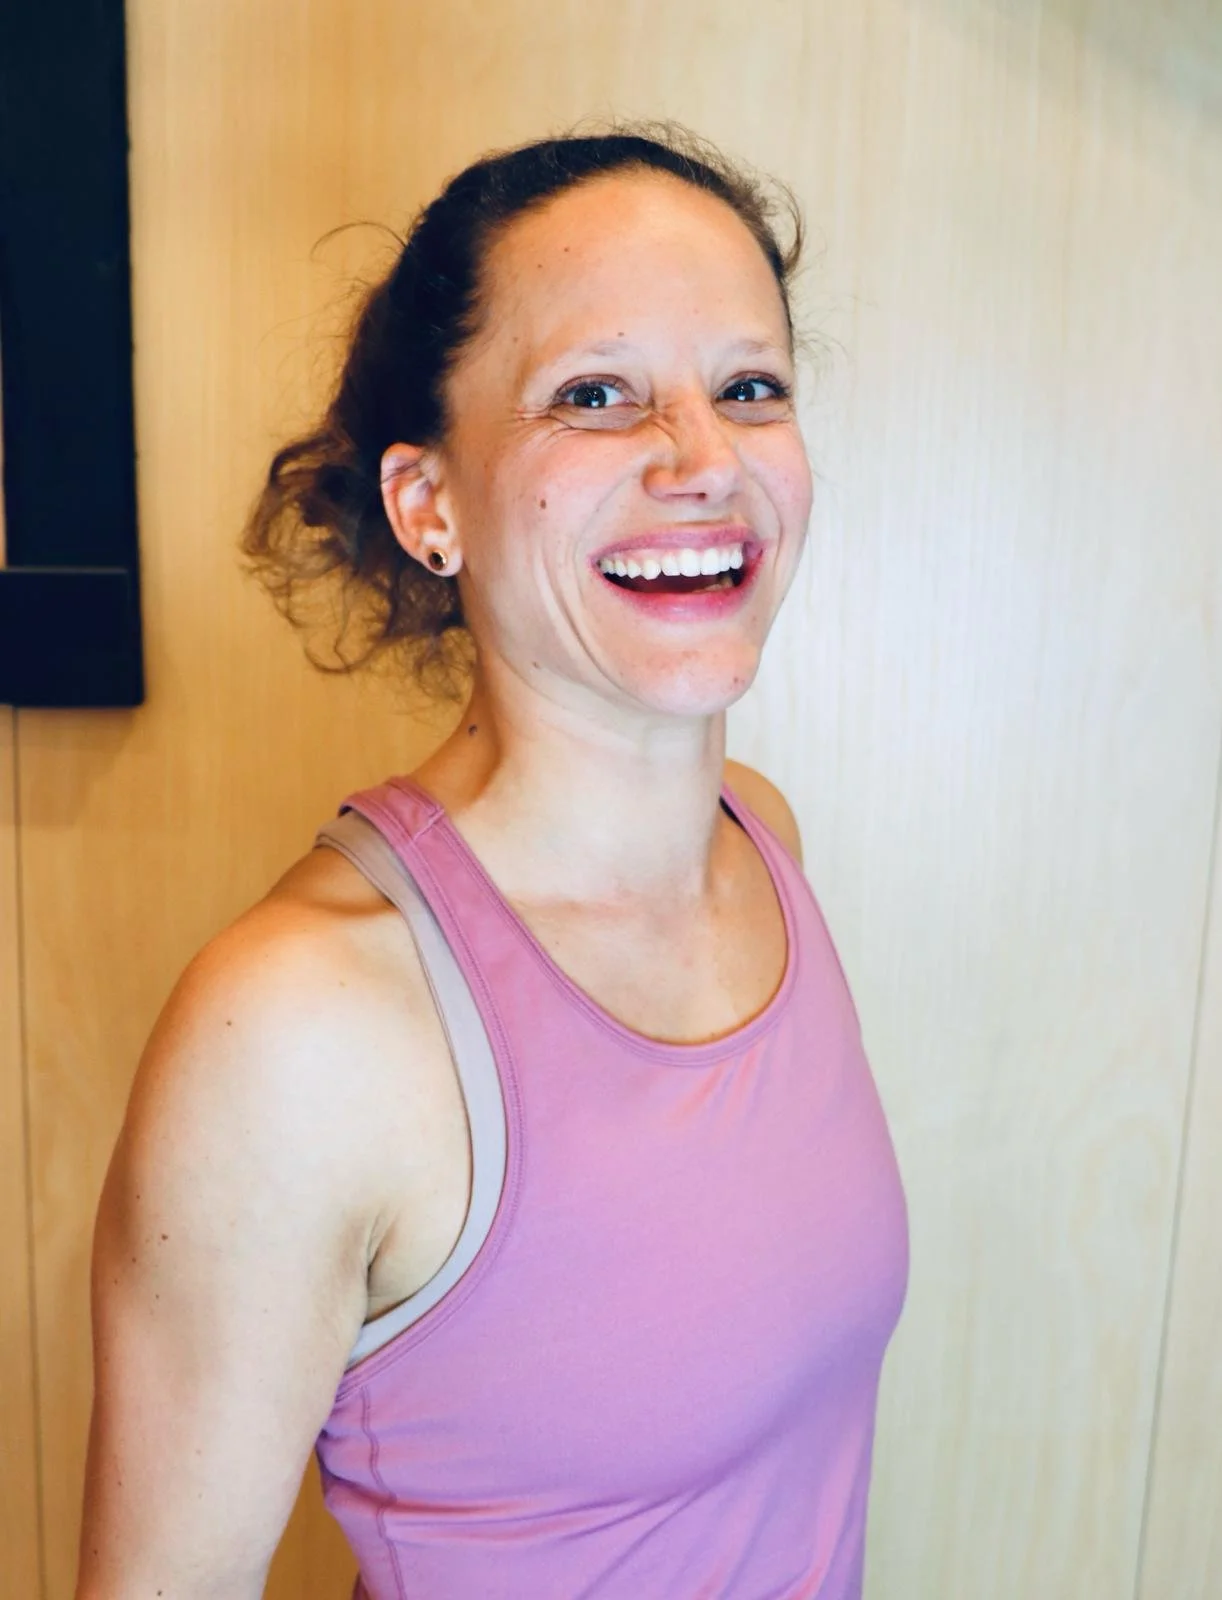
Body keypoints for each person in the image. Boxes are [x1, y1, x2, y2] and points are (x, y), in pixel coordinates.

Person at [78, 126, 908, 1600]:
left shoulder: (758, 843)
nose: (701, 460)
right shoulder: (299, 1025)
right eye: (595, 395)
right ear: (428, 505)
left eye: (748, 387)